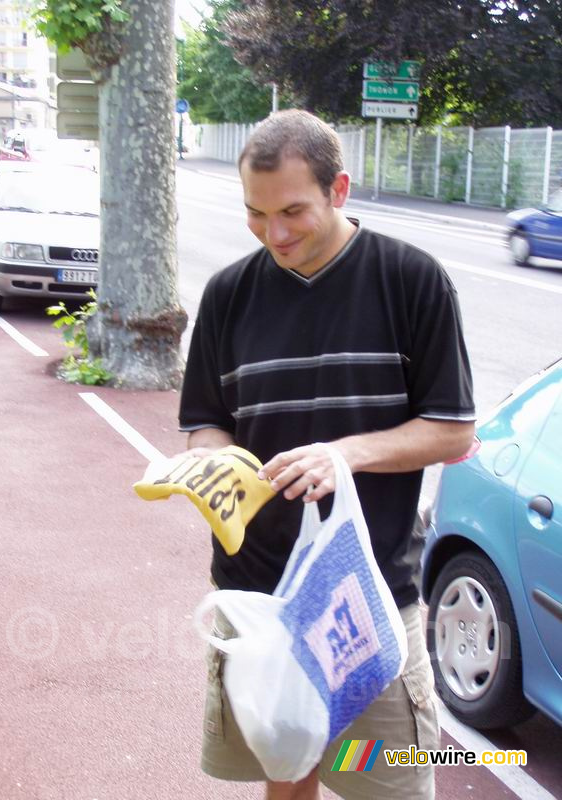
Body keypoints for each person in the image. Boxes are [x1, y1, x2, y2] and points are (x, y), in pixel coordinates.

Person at [179, 109, 475, 800]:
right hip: (255, 597)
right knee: (286, 772)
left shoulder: (412, 281)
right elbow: (204, 424)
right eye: (255, 214)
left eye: (292, 211)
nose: (274, 234)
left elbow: (453, 430)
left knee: (389, 787)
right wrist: (213, 466)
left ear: (339, 190)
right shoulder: (227, 294)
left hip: (364, 603)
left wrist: (341, 454)